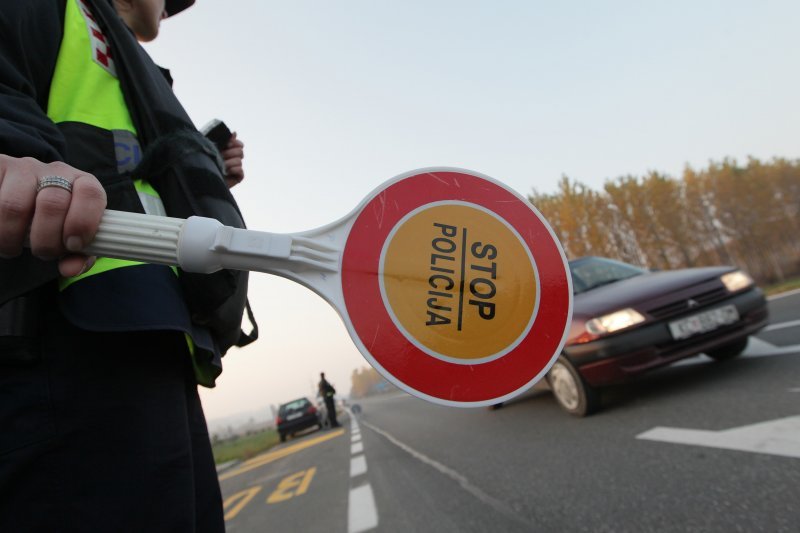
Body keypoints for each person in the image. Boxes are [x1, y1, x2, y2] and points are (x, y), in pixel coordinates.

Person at [0, 1, 253, 531]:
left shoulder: (118, 52)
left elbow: (125, 165)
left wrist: (200, 169)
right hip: (61, 339)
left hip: (154, 334)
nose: (170, 6)